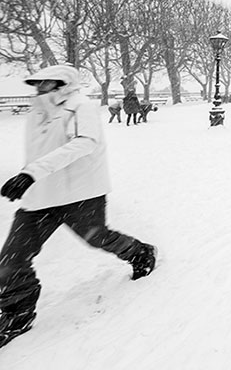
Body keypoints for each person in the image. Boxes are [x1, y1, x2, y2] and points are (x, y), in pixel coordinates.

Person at [0, 65, 157, 349]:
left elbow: (83, 144)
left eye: (45, 83)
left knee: (96, 237)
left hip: (81, 194)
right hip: (40, 197)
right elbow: (42, 152)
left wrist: (30, 173)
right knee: (11, 260)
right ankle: (17, 313)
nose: (38, 88)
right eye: (36, 83)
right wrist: (27, 177)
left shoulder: (81, 107)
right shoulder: (36, 112)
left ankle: (141, 253)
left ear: (62, 83)